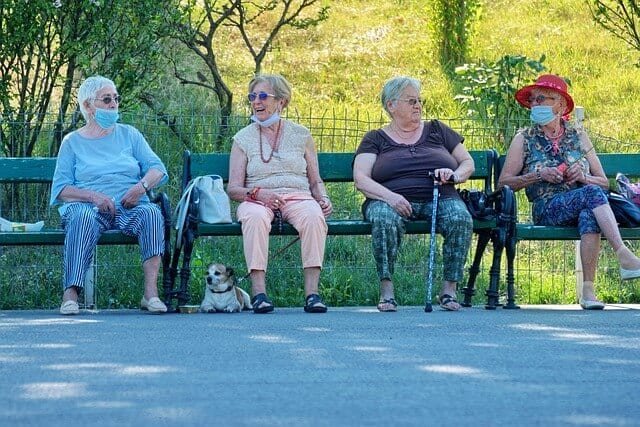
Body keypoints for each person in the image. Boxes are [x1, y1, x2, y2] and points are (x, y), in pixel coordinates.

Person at [498, 74, 640, 310]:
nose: (535, 104)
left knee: (589, 211)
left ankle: (588, 292)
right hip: (547, 208)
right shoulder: (524, 138)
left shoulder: (578, 136)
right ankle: (623, 254)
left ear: (561, 104)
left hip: (584, 202)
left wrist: (582, 176)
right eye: (533, 100)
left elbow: (603, 182)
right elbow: (504, 183)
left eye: (541, 98)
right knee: (591, 195)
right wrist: (537, 175)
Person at [353, 76, 475, 312]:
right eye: (411, 101)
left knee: (460, 218)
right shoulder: (375, 139)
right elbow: (361, 178)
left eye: (419, 101)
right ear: (391, 105)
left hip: (440, 195)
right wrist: (391, 197)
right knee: (384, 218)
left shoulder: (437, 130)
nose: (418, 105)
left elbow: (467, 162)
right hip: (389, 199)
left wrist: (454, 175)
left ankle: (449, 290)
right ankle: (387, 291)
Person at [50, 75, 169, 315]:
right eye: (106, 99)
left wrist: (140, 188)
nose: (113, 104)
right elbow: (62, 190)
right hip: (89, 208)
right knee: (81, 218)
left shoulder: (130, 134)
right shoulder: (72, 142)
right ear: (87, 106)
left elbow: (158, 169)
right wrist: (94, 197)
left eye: (115, 98)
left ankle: (151, 294)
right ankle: (71, 294)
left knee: (152, 213)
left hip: (129, 204)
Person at [226, 73, 332, 314]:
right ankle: (259, 294)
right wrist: (258, 194)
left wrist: (323, 198)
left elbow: (315, 181)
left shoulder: (301, 135)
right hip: (256, 199)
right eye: (252, 96)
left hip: (298, 195)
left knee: (314, 217)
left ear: (282, 101)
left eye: (263, 96)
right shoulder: (242, 139)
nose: (256, 101)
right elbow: (233, 189)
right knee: (253, 218)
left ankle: (312, 295)